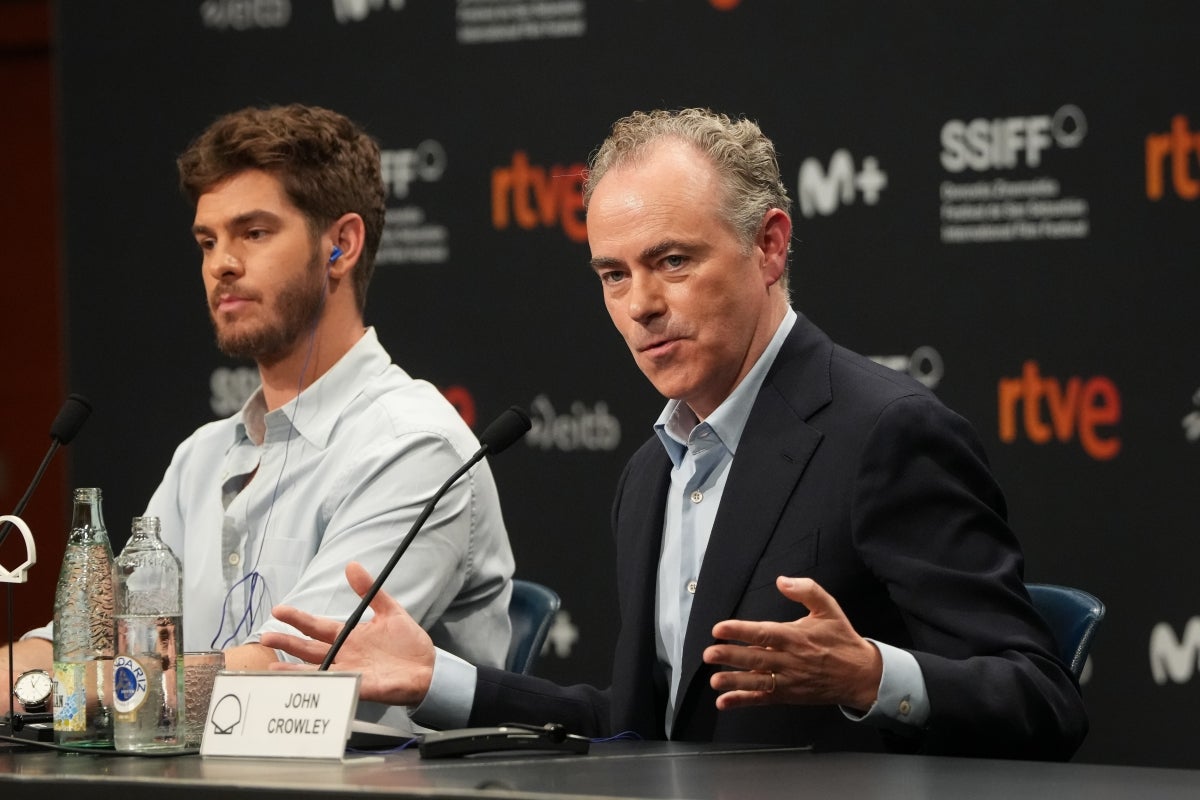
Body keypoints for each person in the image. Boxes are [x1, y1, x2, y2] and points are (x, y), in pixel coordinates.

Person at [261, 108, 1088, 759]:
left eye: (673, 262)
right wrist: (434, 677)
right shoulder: (652, 474)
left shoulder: (885, 434)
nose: (640, 306)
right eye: (614, 276)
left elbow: (1044, 700)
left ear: (769, 246)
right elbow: (644, 726)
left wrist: (872, 675)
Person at [4, 105, 514, 714]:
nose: (221, 263)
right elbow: (78, 643)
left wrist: (59, 689)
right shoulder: (202, 457)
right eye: (207, 241)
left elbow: (294, 673)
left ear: (341, 246)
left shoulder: (411, 446)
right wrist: (32, 679)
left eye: (254, 232)